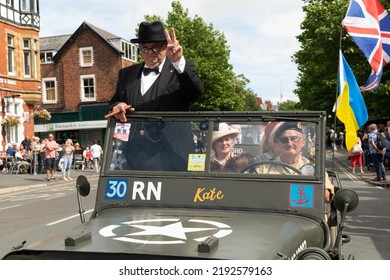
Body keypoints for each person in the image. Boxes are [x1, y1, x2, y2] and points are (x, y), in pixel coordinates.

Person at [107, 21, 204, 171]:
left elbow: (195, 92)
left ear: (166, 47)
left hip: (172, 157)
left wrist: (178, 62)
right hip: (133, 157)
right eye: (145, 49)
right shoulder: (126, 74)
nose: (150, 53)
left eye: (155, 48)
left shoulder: (181, 69)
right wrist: (118, 106)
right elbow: (113, 102)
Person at [257, 122, 334, 203]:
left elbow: (326, 197)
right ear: (278, 144)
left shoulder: (315, 168)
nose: (289, 144)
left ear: (303, 142)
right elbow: (254, 194)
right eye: (284, 140)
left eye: (294, 138)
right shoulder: (264, 168)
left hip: (305, 213)